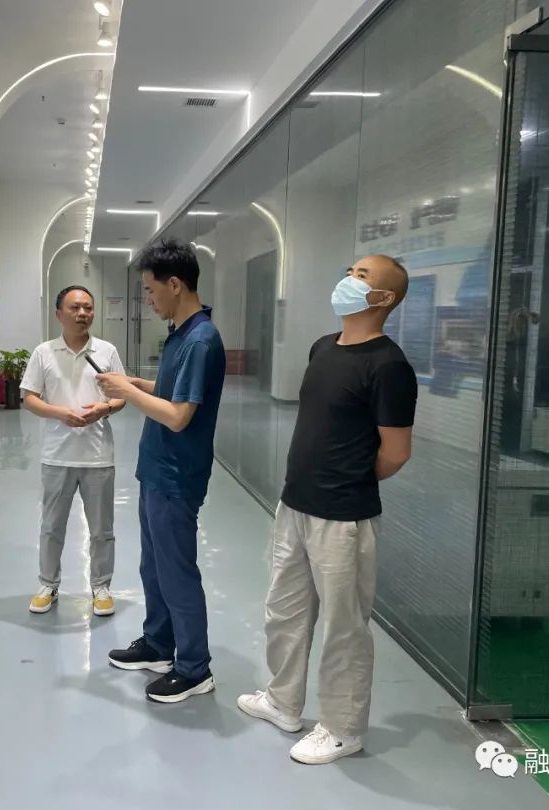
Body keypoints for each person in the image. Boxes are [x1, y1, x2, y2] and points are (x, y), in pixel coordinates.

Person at [237, 255, 417, 764]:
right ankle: (282, 701)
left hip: (343, 516)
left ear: (384, 298)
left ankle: (342, 728)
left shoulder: (389, 366)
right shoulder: (323, 346)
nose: (349, 280)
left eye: (362, 276)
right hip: (295, 503)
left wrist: (349, 478)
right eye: (350, 271)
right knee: (285, 610)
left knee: (344, 626)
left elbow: (396, 452)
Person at [97, 239, 226, 704]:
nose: (148, 300)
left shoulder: (200, 339)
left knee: (176, 571)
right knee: (153, 566)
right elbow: (173, 390)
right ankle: (158, 643)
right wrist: (136, 382)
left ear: (175, 285)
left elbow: (178, 415)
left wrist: (127, 394)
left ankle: (194, 668)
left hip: (177, 475)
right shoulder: (180, 334)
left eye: (151, 290)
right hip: (156, 470)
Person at [19, 285, 126, 616]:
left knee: (102, 530)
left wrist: (105, 409)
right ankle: (47, 585)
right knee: (51, 527)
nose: (83, 313)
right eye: (75, 307)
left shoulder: (106, 352)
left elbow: (122, 396)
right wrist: (59, 413)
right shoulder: (44, 353)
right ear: (58, 314)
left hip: (98, 456)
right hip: (57, 456)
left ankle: (101, 587)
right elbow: (29, 397)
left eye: (88, 308)